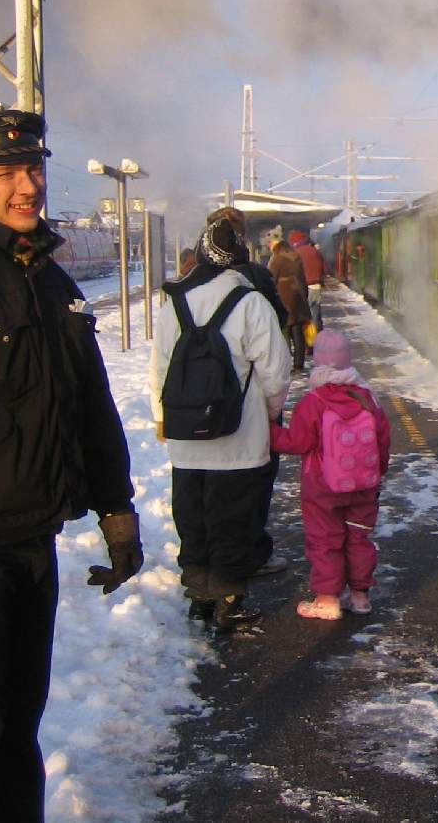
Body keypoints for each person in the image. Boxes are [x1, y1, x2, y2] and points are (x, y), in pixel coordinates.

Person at [0, 107, 141, 821]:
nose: (25, 186)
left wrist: (118, 510)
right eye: (4, 172)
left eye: (32, 169)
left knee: (15, 726)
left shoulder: (47, 278)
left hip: (31, 538)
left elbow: (91, 405)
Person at [149, 216, 291, 633]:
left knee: (192, 518)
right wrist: (268, 413)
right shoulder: (250, 303)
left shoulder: (172, 304)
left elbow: (159, 369)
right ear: (239, 259)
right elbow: (276, 371)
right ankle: (229, 599)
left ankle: (199, 597)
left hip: (186, 437)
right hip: (239, 437)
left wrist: (163, 420)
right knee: (233, 518)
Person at [270, 329, 389, 619]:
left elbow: (297, 442)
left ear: (319, 362)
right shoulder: (366, 399)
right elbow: (383, 440)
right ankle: (360, 596)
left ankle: (327, 599)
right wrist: (376, 473)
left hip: (322, 486)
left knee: (325, 539)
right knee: (359, 537)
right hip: (363, 484)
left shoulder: (313, 402)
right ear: (348, 361)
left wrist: (269, 431)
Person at [204, 206, 289, 578]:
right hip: (248, 399)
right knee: (253, 484)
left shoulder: (188, 280)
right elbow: (276, 335)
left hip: (199, 399)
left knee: (205, 487)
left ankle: (207, 562)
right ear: (242, 239)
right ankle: (251, 551)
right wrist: (273, 410)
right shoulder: (254, 278)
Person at [267, 237, 312, 371]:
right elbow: (303, 280)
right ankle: (299, 364)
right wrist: (304, 297)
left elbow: (270, 278)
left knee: (285, 331)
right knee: (298, 332)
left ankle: (286, 363)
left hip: (283, 297)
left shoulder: (276, 259)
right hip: (297, 297)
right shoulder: (296, 258)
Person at [289, 229, 327, 331]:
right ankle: (318, 338)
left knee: (304, 316)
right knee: (315, 314)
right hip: (315, 286)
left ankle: (308, 340)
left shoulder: (295, 253)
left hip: (302, 287)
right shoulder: (314, 250)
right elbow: (324, 268)